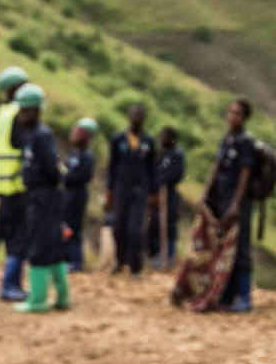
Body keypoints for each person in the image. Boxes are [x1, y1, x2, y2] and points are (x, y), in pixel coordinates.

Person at [9, 85, 69, 313]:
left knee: (39, 244)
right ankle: (62, 298)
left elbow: (52, 169)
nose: (22, 115)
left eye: (25, 111)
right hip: (40, 196)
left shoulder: (41, 136)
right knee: (50, 244)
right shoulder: (29, 134)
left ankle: (38, 299)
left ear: (36, 110)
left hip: (44, 197)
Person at [201, 98, 257, 311]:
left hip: (238, 203)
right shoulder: (227, 139)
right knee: (224, 248)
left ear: (245, 118)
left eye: (237, 113)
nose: (232, 116)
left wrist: (236, 204)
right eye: (230, 112)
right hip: (222, 199)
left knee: (240, 247)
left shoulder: (245, 142)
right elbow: (216, 168)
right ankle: (227, 295)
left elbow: (244, 175)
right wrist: (206, 194)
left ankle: (245, 297)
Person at [0, 66, 30, 300]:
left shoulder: (1, 112)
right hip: (17, 184)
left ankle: (10, 283)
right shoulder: (18, 113)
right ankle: (10, 285)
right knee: (19, 238)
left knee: (11, 237)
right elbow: (21, 145)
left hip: (2, 185)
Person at [106, 103, 157, 276]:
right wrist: (109, 191)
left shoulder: (149, 142)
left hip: (140, 191)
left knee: (135, 230)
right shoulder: (118, 138)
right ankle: (120, 261)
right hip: (121, 189)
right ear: (129, 116)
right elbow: (112, 167)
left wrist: (153, 193)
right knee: (118, 227)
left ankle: (136, 267)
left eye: (139, 114)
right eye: (133, 114)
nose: (136, 117)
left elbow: (152, 170)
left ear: (144, 118)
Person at [62, 118, 98, 272]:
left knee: (74, 227)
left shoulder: (87, 156)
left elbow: (83, 177)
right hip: (68, 194)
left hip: (77, 196)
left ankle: (76, 260)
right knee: (66, 226)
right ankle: (66, 258)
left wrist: (66, 177)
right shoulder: (74, 153)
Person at [147, 127, 185, 270]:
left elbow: (177, 173)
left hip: (169, 194)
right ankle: (157, 255)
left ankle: (169, 255)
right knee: (155, 223)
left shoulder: (177, 154)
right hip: (157, 194)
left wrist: (163, 181)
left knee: (169, 224)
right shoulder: (160, 154)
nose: (162, 139)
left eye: (166, 136)